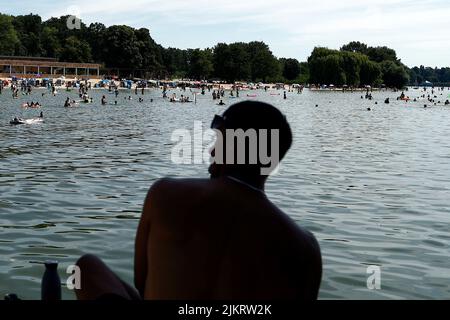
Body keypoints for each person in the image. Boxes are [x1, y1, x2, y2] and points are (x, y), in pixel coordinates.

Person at [75, 101, 322, 301]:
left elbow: (143, 282)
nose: (211, 151)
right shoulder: (305, 247)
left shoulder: (165, 194)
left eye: (219, 141)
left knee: (86, 268)